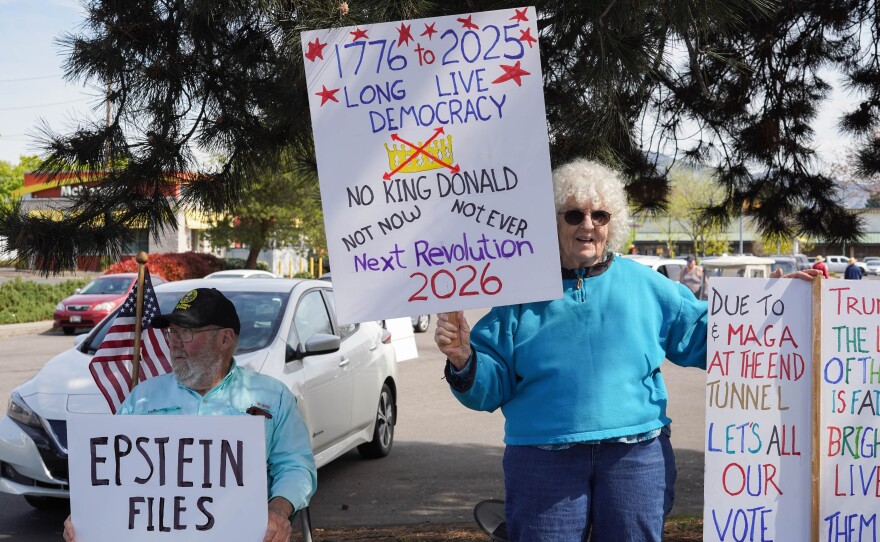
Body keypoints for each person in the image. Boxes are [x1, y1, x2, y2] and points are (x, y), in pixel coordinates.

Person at [434, 158, 818, 542]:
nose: (588, 225)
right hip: (542, 458)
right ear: (552, 222)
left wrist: (775, 304)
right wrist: (464, 359)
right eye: (573, 215)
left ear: (612, 223)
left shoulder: (644, 283)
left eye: (599, 215)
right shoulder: (519, 293)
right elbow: (490, 385)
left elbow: (708, 335)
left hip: (636, 456)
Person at [63, 288, 317, 542]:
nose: (174, 342)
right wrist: (87, 516)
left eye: (186, 332)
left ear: (225, 339)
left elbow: (295, 466)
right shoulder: (143, 397)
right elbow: (113, 471)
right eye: (172, 332)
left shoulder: (273, 397)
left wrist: (278, 510)